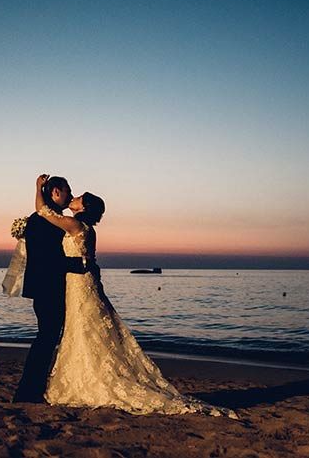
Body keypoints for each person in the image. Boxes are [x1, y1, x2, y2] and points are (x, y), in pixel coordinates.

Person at [32, 174, 236, 418]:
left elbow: (43, 211)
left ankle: (88, 383)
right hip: (82, 284)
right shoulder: (88, 229)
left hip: (79, 284)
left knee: (84, 330)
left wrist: (38, 187)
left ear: (84, 207)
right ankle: (86, 379)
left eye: (79, 198)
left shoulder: (75, 225)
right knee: (87, 331)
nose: (74, 197)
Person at [13, 176, 85, 403]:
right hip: (49, 287)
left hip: (43, 286)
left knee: (46, 338)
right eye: (68, 191)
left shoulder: (42, 217)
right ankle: (28, 392)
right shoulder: (47, 221)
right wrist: (80, 265)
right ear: (55, 192)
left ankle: (31, 390)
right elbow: (48, 259)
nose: (71, 195)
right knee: (46, 339)